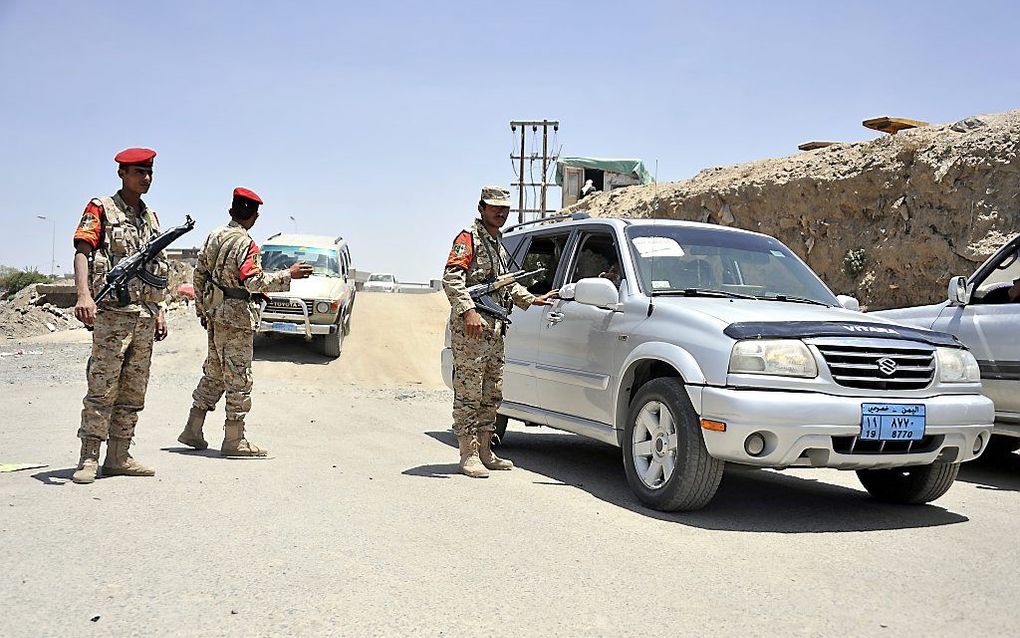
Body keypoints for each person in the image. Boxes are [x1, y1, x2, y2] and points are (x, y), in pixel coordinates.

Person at [177, 188, 313, 457]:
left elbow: (199, 275)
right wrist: (289, 274)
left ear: (231, 211)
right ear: (255, 216)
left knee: (215, 372)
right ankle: (234, 440)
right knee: (239, 376)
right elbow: (253, 281)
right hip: (237, 318)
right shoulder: (246, 244)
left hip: (216, 314)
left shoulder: (214, 236)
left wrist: (203, 310)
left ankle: (193, 428)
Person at [442, 186, 557, 478]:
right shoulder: (468, 238)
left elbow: (503, 283)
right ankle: (467, 454)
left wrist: (532, 299)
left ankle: (484, 449)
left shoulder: (497, 243)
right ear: (481, 208)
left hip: (494, 328)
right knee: (468, 392)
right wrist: (468, 311)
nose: (501, 212)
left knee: (491, 392)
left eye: (505, 208)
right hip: (472, 330)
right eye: (495, 207)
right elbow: (452, 278)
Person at [71, 147, 169, 484]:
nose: (146, 178)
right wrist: (84, 294)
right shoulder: (100, 208)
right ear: (122, 174)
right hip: (112, 315)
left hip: (143, 317)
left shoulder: (150, 218)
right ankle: (88, 458)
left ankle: (119, 456)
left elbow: (157, 270)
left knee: (133, 391)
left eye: (149, 172)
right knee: (102, 388)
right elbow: (83, 252)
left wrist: (159, 310)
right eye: (139, 171)